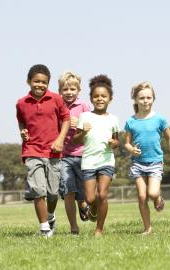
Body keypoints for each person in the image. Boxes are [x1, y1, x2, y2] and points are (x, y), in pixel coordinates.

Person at [16, 64, 70, 237]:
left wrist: (60, 139)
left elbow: (66, 119)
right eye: (36, 81)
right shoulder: (21, 103)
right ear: (28, 82)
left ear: (48, 83)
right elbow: (22, 121)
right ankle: (45, 228)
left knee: (53, 193)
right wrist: (23, 131)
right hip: (32, 151)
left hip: (54, 152)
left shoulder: (56, 99)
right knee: (38, 190)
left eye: (44, 82)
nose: (40, 85)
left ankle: (50, 215)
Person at [124, 82, 170, 235]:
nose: (145, 101)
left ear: (153, 99)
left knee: (153, 193)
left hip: (155, 162)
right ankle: (147, 228)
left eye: (149, 97)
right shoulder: (131, 121)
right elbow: (127, 143)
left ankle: (158, 199)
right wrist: (131, 149)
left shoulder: (159, 119)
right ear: (135, 100)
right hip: (138, 164)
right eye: (141, 98)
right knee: (142, 196)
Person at [74, 74, 119, 236]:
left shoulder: (114, 119)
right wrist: (83, 131)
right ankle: (93, 209)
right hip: (88, 162)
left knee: (102, 194)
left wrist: (114, 144)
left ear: (110, 99)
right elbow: (76, 140)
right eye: (96, 96)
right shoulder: (85, 117)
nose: (100, 99)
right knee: (91, 199)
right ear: (91, 99)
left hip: (106, 161)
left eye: (103, 96)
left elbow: (116, 141)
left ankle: (99, 229)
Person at [58, 71, 90, 235]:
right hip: (63, 156)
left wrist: (80, 124)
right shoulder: (57, 106)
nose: (69, 92)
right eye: (65, 89)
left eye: (72, 89)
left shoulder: (83, 106)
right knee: (68, 190)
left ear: (78, 90)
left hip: (82, 154)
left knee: (84, 192)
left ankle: (83, 203)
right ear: (60, 91)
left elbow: (90, 128)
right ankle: (73, 227)